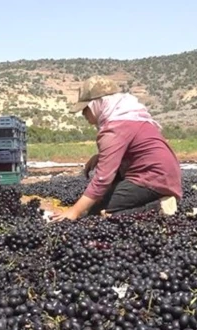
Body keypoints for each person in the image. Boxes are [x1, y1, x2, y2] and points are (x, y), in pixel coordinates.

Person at [51, 76, 183, 221]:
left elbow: (102, 179)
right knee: (96, 201)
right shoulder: (130, 117)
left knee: (94, 212)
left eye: (85, 108)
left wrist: (74, 211)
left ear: (98, 104)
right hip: (165, 176)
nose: (83, 114)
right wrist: (100, 157)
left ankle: (156, 208)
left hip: (152, 178)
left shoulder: (114, 127)